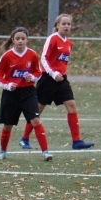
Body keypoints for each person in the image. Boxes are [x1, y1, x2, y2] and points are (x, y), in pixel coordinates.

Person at [19, 14, 94, 151]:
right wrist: (53, 73)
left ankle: (76, 141)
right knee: (37, 110)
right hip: (48, 79)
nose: (66, 26)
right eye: (63, 24)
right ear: (57, 25)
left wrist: (60, 74)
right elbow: (44, 58)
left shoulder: (69, 43)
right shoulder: (52, 39)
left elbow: (61, 62)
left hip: (61, 79)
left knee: (71, 106)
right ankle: (24, 139)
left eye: (68, 24)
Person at [0, 27, 51, 161]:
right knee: (8, 124)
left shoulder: (32, 55)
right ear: (13, 40)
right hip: (11, 94)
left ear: (27, 40)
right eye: (17, 38)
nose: (20, 41)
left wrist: (33, 77)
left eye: (23, 39)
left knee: (36, 120)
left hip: (28, 92)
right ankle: (2, 151)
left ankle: (45, 152)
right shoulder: (7, 56)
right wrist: (7, 85)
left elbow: (38, 72)